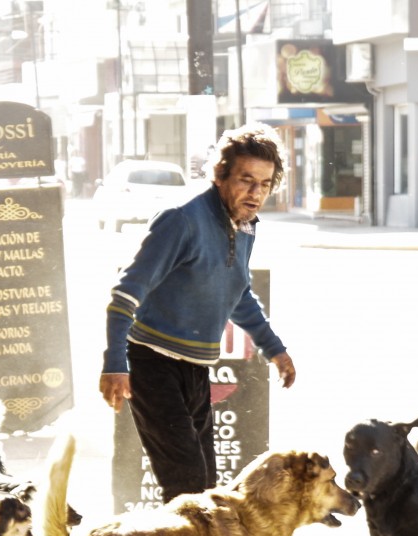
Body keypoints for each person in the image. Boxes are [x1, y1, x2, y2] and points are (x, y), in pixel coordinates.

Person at [99, 122, 296, 502]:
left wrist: (275, 348)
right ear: (220, 175)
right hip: (152, 364)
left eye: (265, 184)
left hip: (194, 368)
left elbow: (236, 293)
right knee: (187, 486)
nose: (256, 193)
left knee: (205, 487)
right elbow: (125, 294)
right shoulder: (181, 220)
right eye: (246, 180)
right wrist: (115, 363)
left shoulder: (245, 225)